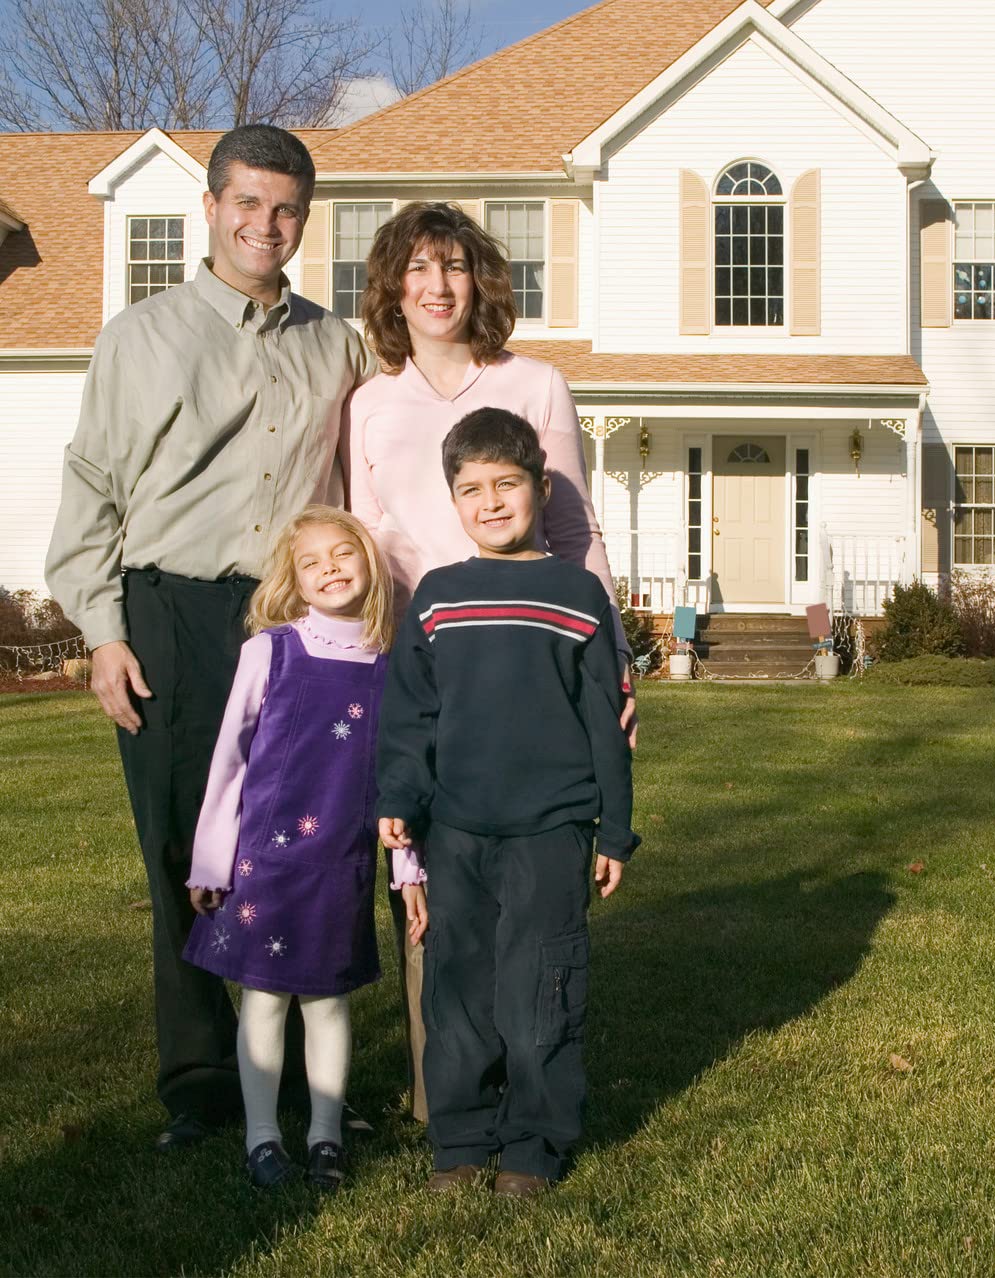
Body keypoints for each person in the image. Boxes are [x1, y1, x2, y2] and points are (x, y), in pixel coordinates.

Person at [44, 124, 371, 1151]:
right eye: (246, 203)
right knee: (183, 849)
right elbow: (93, 491)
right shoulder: (139, 337)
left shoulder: (338, 344)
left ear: (303, 222)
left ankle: (306, 1069)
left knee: (311, 846)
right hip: (171, 614)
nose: (264, 225)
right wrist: (103, 632)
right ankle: (198, 1079)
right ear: (212, 208)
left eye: (284, 210)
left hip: (294, 622)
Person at [344, 200, 634, 1121]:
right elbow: (370, 538)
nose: (436, 287)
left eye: (455, 267)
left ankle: (528, 1085)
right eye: (418, 269)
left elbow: (574, 526)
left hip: (533, 666)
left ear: (481, 281)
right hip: (426, 668)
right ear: (394, 285)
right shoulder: (370, 403)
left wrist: (614, 660)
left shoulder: (537, 384)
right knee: (433, 885)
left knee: (529, 893)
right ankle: (448, 1093)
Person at [376, 408, 638, 1198]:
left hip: (550, 832)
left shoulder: (577, 594)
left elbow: (607, 723)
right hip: (455, 830)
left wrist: (614, 831)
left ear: (539, 486)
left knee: (540, 991)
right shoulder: (437, 597)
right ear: (453, 500)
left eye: (506, 484)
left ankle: (532, 1147)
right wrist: (398, 796)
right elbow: (410, 713)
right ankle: (458, 1142)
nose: (489, 502)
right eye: (470, 489)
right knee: (455, 990)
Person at [183, 508, 393, 1189]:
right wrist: (211, 859)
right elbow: (229, 760)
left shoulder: (393, 662)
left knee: (327, 1003)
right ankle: (262, 1137)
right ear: (294, 581)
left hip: (342, 864)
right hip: (264, 865)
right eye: (312, 561)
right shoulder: (269, 650)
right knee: (265, 1000)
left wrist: (408, 859)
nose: (330, 567)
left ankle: (326, 1136)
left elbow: (402, 776)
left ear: (368, 563)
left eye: (344, 553)